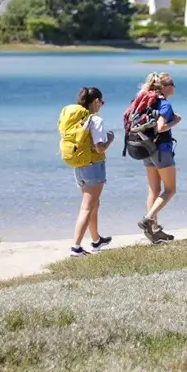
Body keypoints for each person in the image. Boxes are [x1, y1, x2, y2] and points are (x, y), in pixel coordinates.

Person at [58, 86, 114, 257]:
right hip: (93, 167)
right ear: (96, 101)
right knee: (87, 207)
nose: (101, 105)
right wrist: (110, 139)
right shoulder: (95, 120)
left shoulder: (75, 119)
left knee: (94, 204)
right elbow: (99, 148)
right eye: (101, 102)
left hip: (78, 165)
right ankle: (76, 247)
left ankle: (96, 240)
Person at [135, 72, 181, 243]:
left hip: (146, 149)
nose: (175, 87)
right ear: (165, 87)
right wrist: (176, 121)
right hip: (161, 150)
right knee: (170, 190)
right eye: (172, 83)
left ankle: (154, 230)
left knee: (153, 190)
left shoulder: (146, 102)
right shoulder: (164, 105)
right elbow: (161, 127)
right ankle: (148, 219)